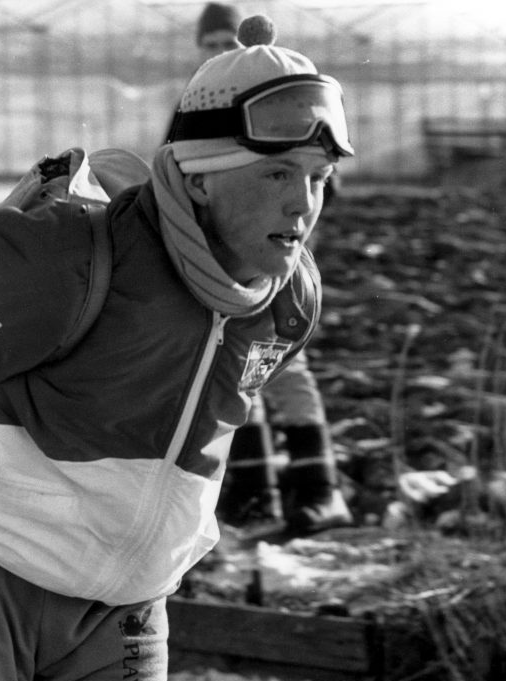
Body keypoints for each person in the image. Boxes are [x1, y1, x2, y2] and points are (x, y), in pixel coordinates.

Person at [0, 15, 353, 681]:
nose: (303, 203)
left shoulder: (289, 303)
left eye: (316, 177)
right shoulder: (63, 262)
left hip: (124, 616)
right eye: (276, 174)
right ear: (200, 174)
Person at [192, 2, 354, 535]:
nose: (221, 52)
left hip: (274, 249)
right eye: (211, 44)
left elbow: (314, 172)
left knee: (277, 354)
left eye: (225, 41)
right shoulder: (208, 95)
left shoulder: (279, 95)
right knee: (235, 355)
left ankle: (318, 485)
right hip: (223, 252)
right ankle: (256, 489)